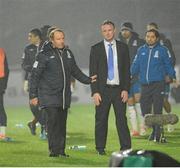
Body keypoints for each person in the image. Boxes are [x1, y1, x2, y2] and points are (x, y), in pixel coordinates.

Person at [29, 27, 96, 157]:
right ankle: (53, 151)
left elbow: (75, 71)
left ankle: (61, 151)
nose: (61, 41)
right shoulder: (43, 55)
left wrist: (88, 80)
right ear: (52, 40)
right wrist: (33, 95)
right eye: (58, 39)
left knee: (61, 124)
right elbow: (35, 75)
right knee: (53, 122)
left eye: (63, 38)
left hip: (64, 96)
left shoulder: (68, 53)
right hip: (48, 96)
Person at [89, 20, 131, 155]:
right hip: (103, 91)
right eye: (104, 31)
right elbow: (93, 73)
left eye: (110, 30)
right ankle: (100, 148)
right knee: (101, 120)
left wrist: (125, 89)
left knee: (122, 121)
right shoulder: (95, 49)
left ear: (114, 30)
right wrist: (95, 92)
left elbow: (126, 71)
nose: (107, 33)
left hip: (119, 90)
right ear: (102, 32)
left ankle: (126, 148)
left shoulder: (123, 47)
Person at [131, 29, 176, 142]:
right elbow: (135, 65)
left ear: (156, 38)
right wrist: (129, 75)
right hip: (145, 85)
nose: (149, 38)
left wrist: (173, 76)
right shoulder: (141, 50)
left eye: (152, 37)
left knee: (157, 109)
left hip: (158, 84)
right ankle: (155, 129)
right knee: (144, 109)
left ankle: (157, 133)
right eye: (147, 36)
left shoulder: (162, 50)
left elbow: (168, 65)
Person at [146, 22, 176, 132]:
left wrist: (169, 74)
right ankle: (158, 125)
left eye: (152, 29)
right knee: (154, 101)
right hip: (152, 78)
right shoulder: (146, 44)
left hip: (164, 77)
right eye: (148, 30)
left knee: (163, 100)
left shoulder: (165, 42)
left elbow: (171, 59)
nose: (150, 32)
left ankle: (170, 119)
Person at [118, 22, 145, 136]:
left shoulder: (139, 42)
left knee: (138, 102)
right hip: (125, 79)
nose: (124, 32)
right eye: (123, 30)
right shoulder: (117, 43)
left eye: (127, 30)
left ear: (131, 31)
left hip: (137, 77)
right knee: (130, 103)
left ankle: (143, 127)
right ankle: (134, 130)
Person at [22, 28, 47, 139]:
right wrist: (32, 69)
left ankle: (45, 130)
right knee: (34, 106)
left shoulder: (46, 47)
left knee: (45, 106)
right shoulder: (28, 49)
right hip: (32, 80)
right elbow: (23, 64)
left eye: (30, 36)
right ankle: (35, 124)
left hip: (44, 81)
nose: (28, 38)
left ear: (37, 37)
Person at [0, 48, 10, 140]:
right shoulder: (2, 51)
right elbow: (7, 70)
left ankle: (2, 134)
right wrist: (4, 86)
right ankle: (2, 134)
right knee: (0, 108)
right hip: (1, 82)